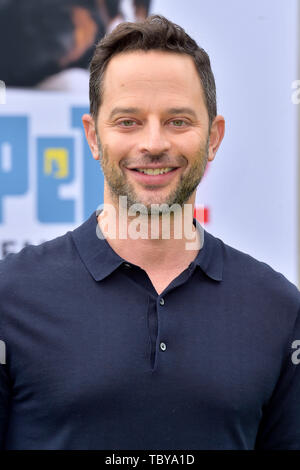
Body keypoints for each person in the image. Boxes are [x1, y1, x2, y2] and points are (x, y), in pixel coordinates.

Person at [0, 14, 300, 450]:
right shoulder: (10, 296)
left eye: (178, 121)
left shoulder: (278, 309)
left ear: (213, 137)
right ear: (93, 136)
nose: (154, 143)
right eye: (128, 121)